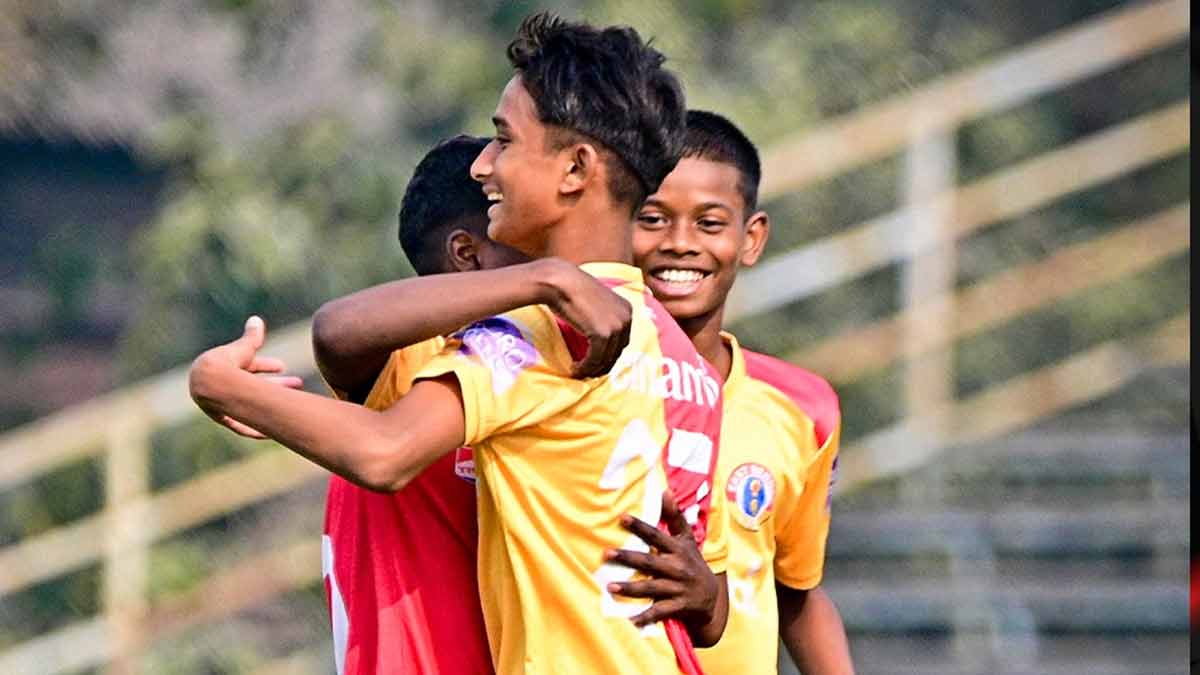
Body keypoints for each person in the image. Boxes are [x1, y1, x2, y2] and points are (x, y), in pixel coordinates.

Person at [188, 12, 730, 674]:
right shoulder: (644, 321)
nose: (483, 165)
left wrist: (220, 383)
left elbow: (383, 450)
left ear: (574, 169)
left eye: (504, 140)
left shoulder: (542, 328)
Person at [610, 110, 856, 673]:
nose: (679, 244)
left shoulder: (802, 407)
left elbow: (795, 591)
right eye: (653, 218)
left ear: (751, 238)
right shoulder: (578, 380)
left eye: (709, 223)